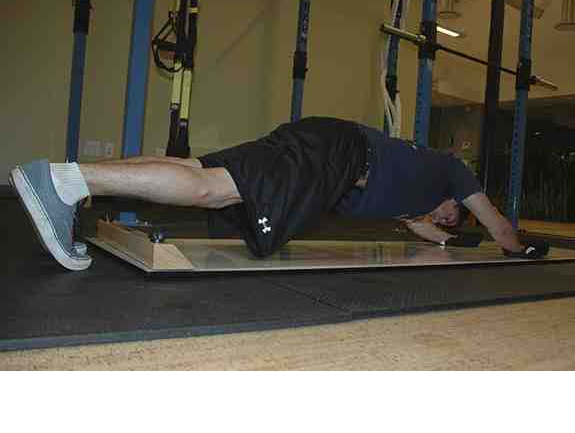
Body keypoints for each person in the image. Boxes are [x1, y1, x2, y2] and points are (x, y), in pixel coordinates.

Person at [9, 116, 547, 271]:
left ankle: (68, 178)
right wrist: (519, 247)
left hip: (326, 143)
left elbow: (423, 228)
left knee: (199, 171)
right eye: (453, 214)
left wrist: (446, 240)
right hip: (337, 154)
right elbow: (497, 226)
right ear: (456, 197)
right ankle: (63, 182)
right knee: (212, 190)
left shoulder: (412, 200)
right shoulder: (452, 172)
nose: (447, 217)